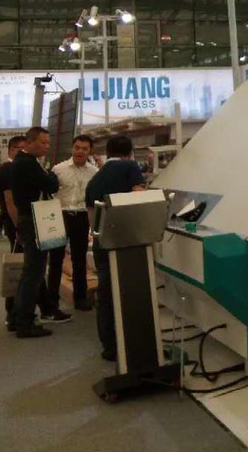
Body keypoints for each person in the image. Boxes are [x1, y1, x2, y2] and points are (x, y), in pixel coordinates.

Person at [86, 134, 146, 361]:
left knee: (106, 292)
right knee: (129, 291)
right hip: (127, 241)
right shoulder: (130, 167)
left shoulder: (94, 179)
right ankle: (131, 342)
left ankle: (110, 345)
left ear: (108, 152)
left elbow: (91, 218)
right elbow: (139, 198)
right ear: (130, 152)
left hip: (102, 241)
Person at [9, 126, 68, 337]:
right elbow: (51, 185)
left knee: (32, 271)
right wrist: (50, 174)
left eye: (48, 143)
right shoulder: (27, 163)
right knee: (34, 273)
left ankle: (17, 318)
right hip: (34, 220)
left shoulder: (26, 162)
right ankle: (24, 323)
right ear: (29, 142)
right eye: (43, 142)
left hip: (32, 218)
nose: (47, 146)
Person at [49, 134, 98, 312]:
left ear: (90, 151)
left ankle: (80, 298)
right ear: (72, 148)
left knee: (79, 259)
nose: (80, 151)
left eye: (84, 149)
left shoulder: (94, 172)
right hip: (60, 216)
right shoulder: (58, 169)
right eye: (77, 147)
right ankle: (51, 301)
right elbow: (50, 194)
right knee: (55, 260)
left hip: (81, 217)